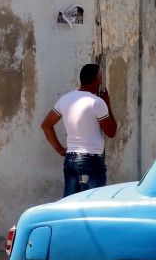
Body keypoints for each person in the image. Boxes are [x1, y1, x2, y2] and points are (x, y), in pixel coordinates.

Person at [41, 64, 117, 197]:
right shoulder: (97, 103)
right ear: (95, 82)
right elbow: (111, 132)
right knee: (93, 204)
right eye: (99, 79)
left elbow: (46, 125)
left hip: (70, 159)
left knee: (70, 205)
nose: (100, 82)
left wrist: (60, 149)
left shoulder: (65, 99)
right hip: (90, 160)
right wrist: (108, 105)